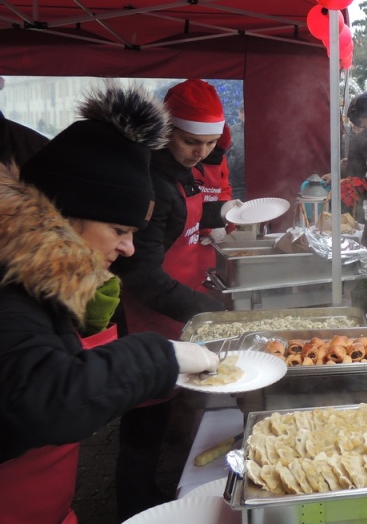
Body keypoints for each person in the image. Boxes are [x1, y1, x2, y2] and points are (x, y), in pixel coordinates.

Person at [0, 83, 219, 524]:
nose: (128, 248)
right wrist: (159, 355)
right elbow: (45, 399)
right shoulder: (9, 293)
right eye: (120, 229)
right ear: (65, 215)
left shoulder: (39, 284)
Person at [109, 79, 239, 519]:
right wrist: (208, 312)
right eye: (190, 141)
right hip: (146, 312)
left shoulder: (180, 171)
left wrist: (231, 214)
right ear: (167, 131)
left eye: (207, 143)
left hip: (176, 303)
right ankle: (134, 503)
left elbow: (193, 214)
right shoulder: (149, 182)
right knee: (144, 415)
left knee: (166, 404)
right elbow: (140, 274)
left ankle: (157, 485)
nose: (199, 152)